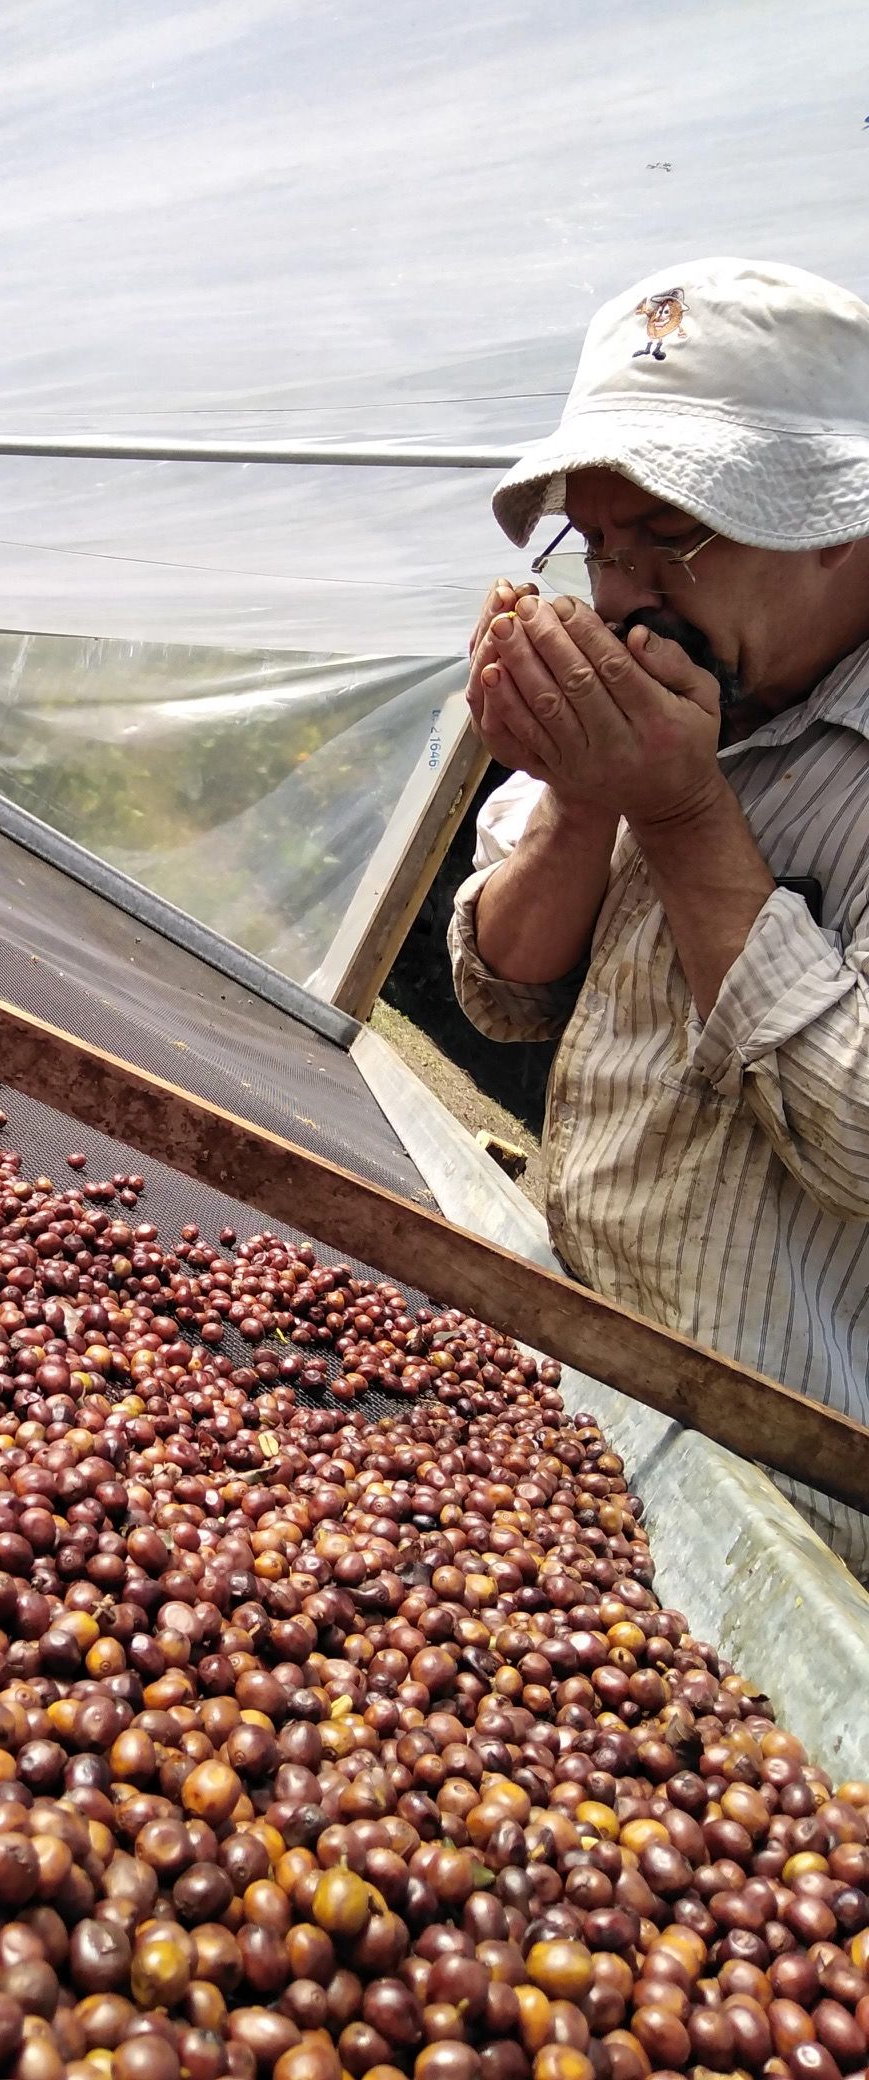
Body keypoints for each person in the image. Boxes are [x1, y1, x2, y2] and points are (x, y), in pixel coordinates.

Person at [447, 257, 869, 1578]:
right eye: (600, 542)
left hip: (784, 1515)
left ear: (839, 522)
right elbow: (500, 987)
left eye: (675, 536)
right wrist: (584, 797)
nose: (624, 592)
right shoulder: (652, 686)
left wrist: (686, 822)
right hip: (570, 1371)